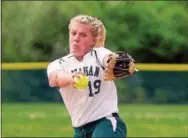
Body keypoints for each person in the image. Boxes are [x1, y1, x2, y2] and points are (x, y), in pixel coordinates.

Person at [47, 14, 135, 138]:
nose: (76, 38)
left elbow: (108, 58)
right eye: (73, 33)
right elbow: (55, 78)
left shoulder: (98, 54)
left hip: (105, 124)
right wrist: (71, 79)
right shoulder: (59, 64)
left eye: (83, 35)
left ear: (93, 40)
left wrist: (113, 62)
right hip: (80, 131)